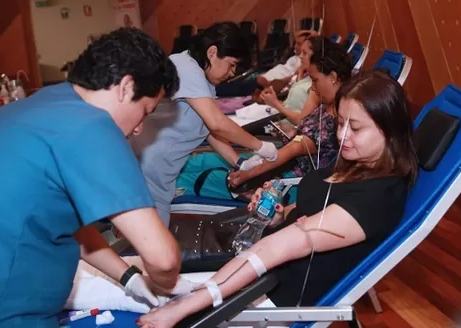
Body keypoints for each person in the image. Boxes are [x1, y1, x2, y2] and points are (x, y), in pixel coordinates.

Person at [62, 70, 419, 327]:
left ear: (390, 131)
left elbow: (275, 251)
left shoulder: (378, 197)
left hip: (265, 296)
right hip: (252, 271)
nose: (342, 136)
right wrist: (281, 213)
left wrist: (184, 307)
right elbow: (307, 217)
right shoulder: (357, 168)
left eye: (355, 128)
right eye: (340, 123)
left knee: (93, 282)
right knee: (87, 274)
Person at [0, 28, 182, 327]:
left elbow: (60, 221)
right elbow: (163, 259)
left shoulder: (43, 104)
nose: (139, 129)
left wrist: (129, 278)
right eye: (145, 112)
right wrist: (170, 286)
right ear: (126, 87)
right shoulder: (92, 128)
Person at [131, 22, 278, 227]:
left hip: (160, 177)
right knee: (152, 250)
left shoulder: (205, 83)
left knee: (152, 248)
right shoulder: (184, 67)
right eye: (231, 64)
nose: (232, 73)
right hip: (142, 173)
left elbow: (209, 131)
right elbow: (216, 123)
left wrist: (239, 163)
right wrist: (260, 146)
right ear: (212, 52)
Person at [173, 39, 351, 202]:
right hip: (278, 163)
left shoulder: (335, 121)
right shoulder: (326, 106)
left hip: (284, 181)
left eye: (315, 80)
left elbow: (292, 150)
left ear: (333, 77)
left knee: (197, 177)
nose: (312, 87)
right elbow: (300, 137)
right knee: (203, 160)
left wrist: (248, 174)